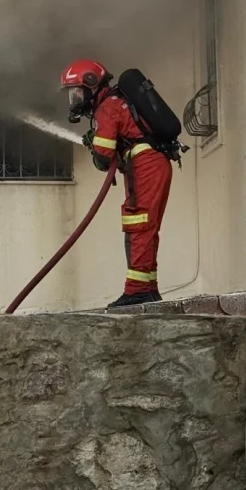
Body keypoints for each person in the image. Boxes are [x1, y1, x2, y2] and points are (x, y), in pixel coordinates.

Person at [61, 59, 173, 308]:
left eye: (77, 92)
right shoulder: (116, 102)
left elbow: (103, 158)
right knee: (145, 226)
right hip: (151, 164)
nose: (75, 100)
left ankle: (137, 292)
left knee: (138, 225)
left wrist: (94, 145)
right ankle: (148, 289)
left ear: (91, 84)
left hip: (145, 167)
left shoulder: (107, 108)